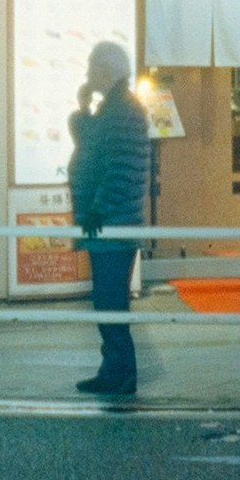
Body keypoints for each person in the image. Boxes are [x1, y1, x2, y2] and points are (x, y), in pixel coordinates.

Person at [66, 42, 153, 400]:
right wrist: (83, 107)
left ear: (108, 70)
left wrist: (97, 211)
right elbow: (87, 143)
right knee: (107, 300)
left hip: (112, 225)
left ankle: (121, 373)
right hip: (108, 223)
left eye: (92, 67)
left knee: (110, 300)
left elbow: (121, 169)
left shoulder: (122, 111)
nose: (88, 74)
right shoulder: (114, 109)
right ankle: (114, 370)